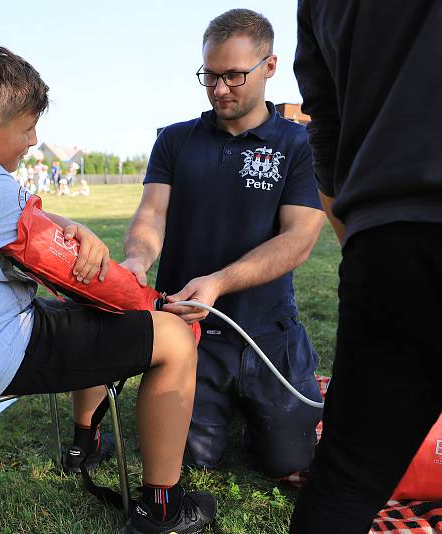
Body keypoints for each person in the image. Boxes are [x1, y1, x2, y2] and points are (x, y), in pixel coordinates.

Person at [0, 46, 217, 534]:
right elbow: (86, 276)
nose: (33, 141)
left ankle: (84, 441)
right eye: (26, 129)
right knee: (171, 339)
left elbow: (34, 222)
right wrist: (159, 307)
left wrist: (69, 225)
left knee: (88, 316)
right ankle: (161, 511)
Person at [121, 9, 326, 479]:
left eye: (234, 76)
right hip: (189, 335)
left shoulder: (299, 145)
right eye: (210, 76)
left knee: (289, 462)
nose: (218, 90)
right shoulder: (175, 141)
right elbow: (151, 213)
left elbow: (298, 240)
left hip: (267, 333)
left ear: (269, 67)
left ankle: (265, 414)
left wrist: (218, 282)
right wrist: (137, 256)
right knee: (194, 459)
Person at [289, 3, 442, 533]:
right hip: (385, 230)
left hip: (386, 234)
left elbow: (325, 128)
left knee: (347, 477)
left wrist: (363, 243)